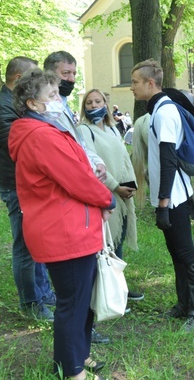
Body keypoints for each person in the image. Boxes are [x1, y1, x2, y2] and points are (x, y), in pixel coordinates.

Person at [9, 68, 115, 380]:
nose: (59, 100)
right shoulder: (41, 136)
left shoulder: (47, 130)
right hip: (63, 232)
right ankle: (72, 371)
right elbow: (75, 178)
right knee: (72, 303)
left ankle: (77, 356)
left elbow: (77, 170)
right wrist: (106, 199)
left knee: (81, 301)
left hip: (71, 227)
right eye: (52, 95)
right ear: (33, 104)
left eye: (58, 93)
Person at [130, 59, 194, 332]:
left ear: (151, 83)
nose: (132, 87)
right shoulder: (159, 110)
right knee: (176, 253)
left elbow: (168, 159)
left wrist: (163, 203)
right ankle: (183, 305)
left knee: (187, 254)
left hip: (173, 198)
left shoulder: (163, 113)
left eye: (136, 82)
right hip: (172, 195)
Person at [44, 51, 110, 345]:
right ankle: (72, 362)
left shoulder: (62, 107)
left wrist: (95, 162)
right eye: (64, 75)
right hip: (65, 210)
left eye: (73, 74)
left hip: (80, 204)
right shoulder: (43, 120)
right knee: (72, 293)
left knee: (82, 286)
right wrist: (104, 198)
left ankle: (78, 350)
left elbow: (79, 146)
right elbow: (68, 168)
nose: (70, 80)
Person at [0, 56, 56, 321]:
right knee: (25, 248)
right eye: (31, 79)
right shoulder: (1, 107)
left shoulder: (12, 104)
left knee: (36, 244)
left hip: (27, 185)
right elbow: (21, 147)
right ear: (18, 80)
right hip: (16, 187)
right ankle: (31, 303)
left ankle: (43, 293)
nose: (35, 85)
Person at [78, 89, 144, 302]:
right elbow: (92, 165)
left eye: (98, 101)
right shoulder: (83, 131)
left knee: (118, 240)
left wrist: (130, 185)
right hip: (104, 193)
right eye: (89, 102)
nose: (93, 105)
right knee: (106, 244)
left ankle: (120, 288)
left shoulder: (112, 129)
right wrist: (115, 186)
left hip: (123, 194)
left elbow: (123, 157)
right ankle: (108, 293)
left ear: (106, 104)